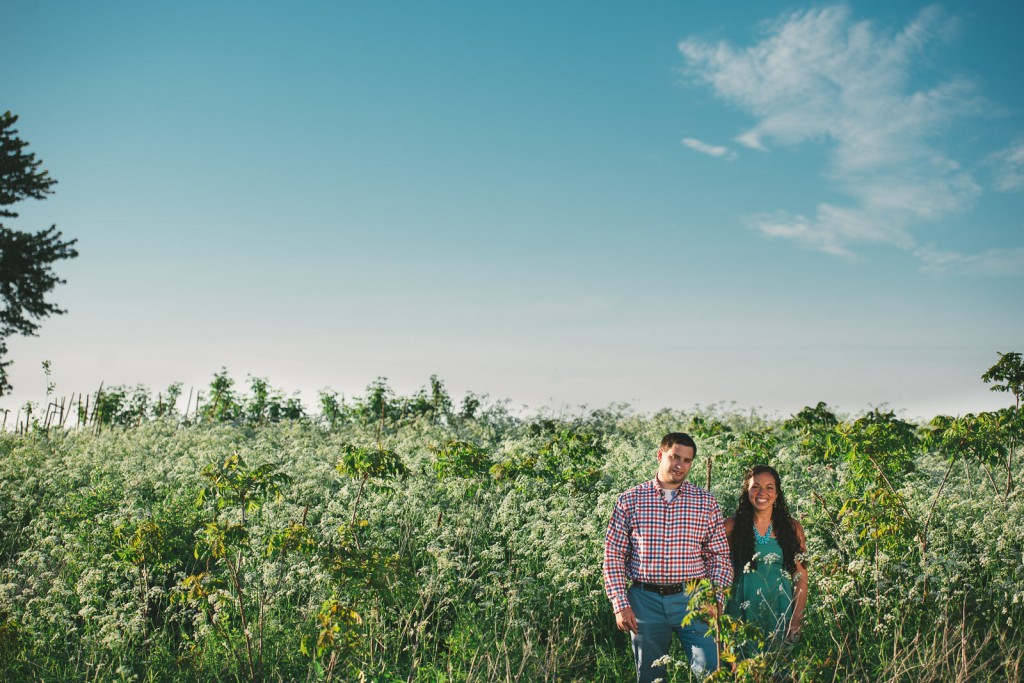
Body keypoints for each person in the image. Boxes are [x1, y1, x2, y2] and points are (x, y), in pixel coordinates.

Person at [603, 432, 733, 682]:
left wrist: (715, 599)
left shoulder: (706, 503)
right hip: (644, 601)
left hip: (694, 599)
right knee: (651, 675)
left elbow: (718, 557)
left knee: (710, 671)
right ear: (660, 455)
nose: (680, 465)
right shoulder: (630, 500)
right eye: (674, 457)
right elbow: (614, 555)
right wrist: (620, 604)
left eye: (687, 460)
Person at [723, 465, 807, 654]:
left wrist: (795, 620)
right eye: (756, 487)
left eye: (769, 487)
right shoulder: (730, 526)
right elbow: (717, 569)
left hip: (779, 609)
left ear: (777, 494)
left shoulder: (792, 528)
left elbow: (801, 577)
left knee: (777, 670)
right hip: (740, 610)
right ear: (747, 492)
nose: (762, 492)